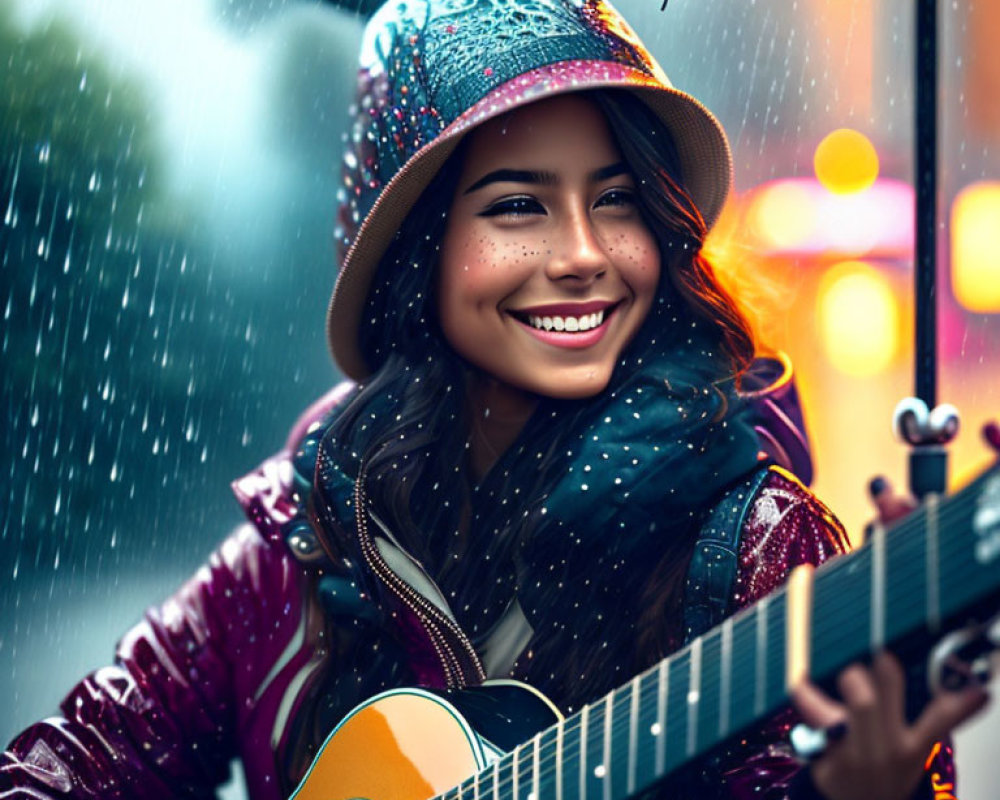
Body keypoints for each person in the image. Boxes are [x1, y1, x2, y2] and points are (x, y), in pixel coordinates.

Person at [1, 1, 988, 799]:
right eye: (517, 205)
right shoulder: (303, 540)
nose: (582, 255)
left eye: (615, 199)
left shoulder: (764, 552)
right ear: (414, 259)